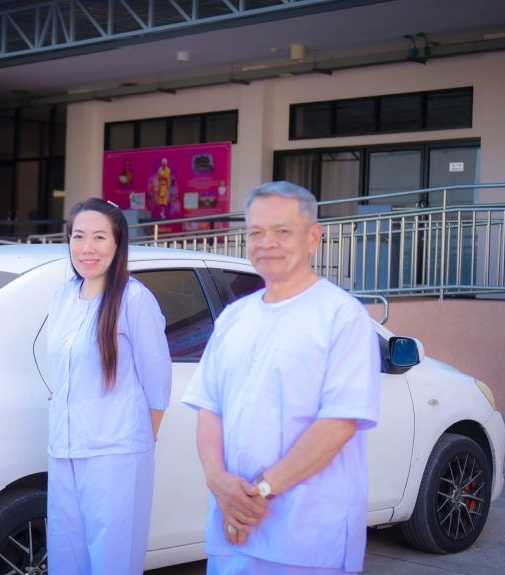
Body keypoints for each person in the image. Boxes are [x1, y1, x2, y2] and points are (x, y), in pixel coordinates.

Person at [182, 181, 380, 574]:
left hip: (305, 537)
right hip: (232, 531)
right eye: (256, 232)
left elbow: (339, 423)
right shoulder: (235, 317)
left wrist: (260, 492)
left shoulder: (341, 316)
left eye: (282, 231)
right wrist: (219, 482)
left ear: (313, 238)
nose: (266, 243)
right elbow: (209, 408)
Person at [46, 197, 172, 574]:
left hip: (116, 454)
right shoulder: (63, 296)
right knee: (67, 558)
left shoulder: (134, 299)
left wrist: (138, 444)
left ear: (117, 244)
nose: (87, 248)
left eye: (99, 237)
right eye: (78, 236)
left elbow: (157, 382)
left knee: (112, 561)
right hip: (64, 450)